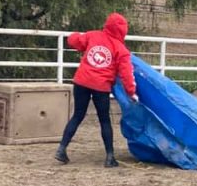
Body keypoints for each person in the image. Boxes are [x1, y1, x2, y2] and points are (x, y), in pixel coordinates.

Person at [55, 12, 138, 168]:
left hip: (81, 81)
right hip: (101, 86)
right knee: (104, 120)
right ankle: (109, 157)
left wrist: (73, 35)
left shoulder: (93, 36)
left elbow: (74, 41)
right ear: (123, 31)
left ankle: (62, 149)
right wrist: (131, 92)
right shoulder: (121, 49)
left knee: (77, 116)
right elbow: (126, 73)